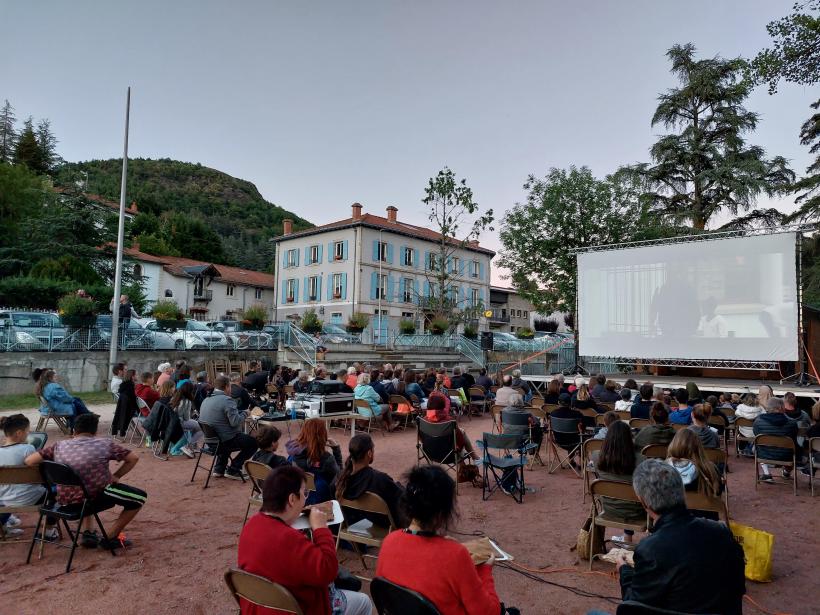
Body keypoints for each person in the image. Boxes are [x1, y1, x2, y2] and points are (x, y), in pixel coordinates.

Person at [238, 465, 373, 615]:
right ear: (292, 499)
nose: (305, 499)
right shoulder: (289, 539)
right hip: (299, 609)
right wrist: (321, 528)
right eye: (304, 493)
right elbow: (328, 570)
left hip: (260, 606)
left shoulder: (251, 525)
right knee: (363, 601)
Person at [617, 460, 745, 614]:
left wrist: (624, 572)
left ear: (643, 502)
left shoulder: (650, 550)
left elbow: (633, 606)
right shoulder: (722, 533)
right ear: (681, 493)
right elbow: (738, 587)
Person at [375, 466, 503, 615]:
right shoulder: (456, 555)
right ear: (442, 514)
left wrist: (442, 545)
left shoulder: (389, 542)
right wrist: (485, 570)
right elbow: (488, 612)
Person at [25, 413, 147, 550]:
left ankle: (89, 532)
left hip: (65, 499)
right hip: (92, 498)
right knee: (139, 496)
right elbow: (134, 458)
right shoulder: (105, 444)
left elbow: (29, 461)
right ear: (95, 431)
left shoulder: (58, 446)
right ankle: (110, 537)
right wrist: (117, 475)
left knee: (85, 485)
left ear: (74, 431)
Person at [0, 414, 55, 539]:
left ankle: (3, 526)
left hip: (4, 499)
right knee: (56, 492)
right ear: (19, 433)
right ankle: (49, 531)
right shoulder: (28, 448)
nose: (28, 434)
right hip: (30, 498)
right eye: (27, 431)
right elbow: (42, 473)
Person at [334, 434, 405, 527]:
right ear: (369, 453)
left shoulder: (339, 480)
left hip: (354, 526)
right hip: (383, 527)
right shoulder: (380, 480)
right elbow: (402, 499)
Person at [594, 421, 645, 544]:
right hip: (637, 512)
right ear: (629, 437)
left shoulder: (596, 457)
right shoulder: (641, 460)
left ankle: (627, 538)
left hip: (609, 508)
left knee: (624, 493)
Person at [198, 375, 256, 481]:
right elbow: (235, 422)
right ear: (227, 387)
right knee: (253, 443)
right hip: (223, 442)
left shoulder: (207, 399)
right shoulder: (227, 400)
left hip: (209, 440)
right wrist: (246, 413)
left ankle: (219, 469)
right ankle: (234, 469)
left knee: (224, 432)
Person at [286, 419, 343, 503]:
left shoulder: (293, 455)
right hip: (320, 503)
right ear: (323, 435)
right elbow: (340, 477)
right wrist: (336, 450)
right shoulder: (327, 459)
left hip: (297, 501)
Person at [753, 397, 799, 483]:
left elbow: (756, 434)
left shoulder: (758, 421)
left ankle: (767, 474)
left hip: (764, 454)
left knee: (757, 445)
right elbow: (794, 438)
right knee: (795, 448)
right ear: (782, 408)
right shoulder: (792, 423)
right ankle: (786, 472)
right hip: (786, 456)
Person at [665, 428, 720, 496]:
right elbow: (718, 493)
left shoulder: (661, 470)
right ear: (698, 447)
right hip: (702, 505)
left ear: (673, 444)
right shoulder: (710, 469)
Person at [425, 395, 479, 460]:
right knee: (460, 433)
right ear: (443, 405)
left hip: (430, 453)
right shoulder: (450, 421)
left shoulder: (422, 420)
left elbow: (421, 439)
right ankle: (474, 457)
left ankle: (464, 462)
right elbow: (460, 441)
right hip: (449, 455)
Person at [168, 381, 204, 458]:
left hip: (171, 421)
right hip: (179, 422)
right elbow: (186, 418)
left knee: (195, 425)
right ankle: (189, 446)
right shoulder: (187, 401)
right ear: (190, 391)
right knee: (201, 427)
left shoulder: (175, 397)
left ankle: (192, 446)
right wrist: (192, 414)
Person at [111, 369, 139, 438]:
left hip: (122, 411)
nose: (138, 376)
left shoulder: (124, 386)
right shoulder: (131, 387)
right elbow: (135, 402)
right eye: (136, 375)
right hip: (129, 411)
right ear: (132, 377)